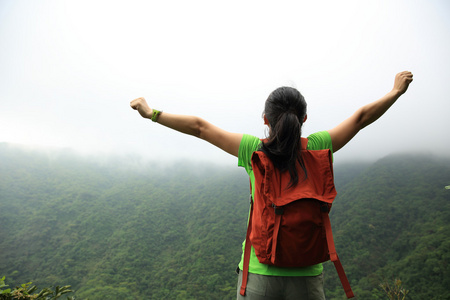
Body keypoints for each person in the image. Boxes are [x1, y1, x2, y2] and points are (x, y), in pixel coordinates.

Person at [130, 71, 413, 300]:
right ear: (303, 119)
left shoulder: (253, 150)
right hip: (307, 276)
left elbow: (199, 127)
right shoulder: (318, 147)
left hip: (258, 274)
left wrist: (151, 113)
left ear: (265, 120)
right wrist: (395, 92)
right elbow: (361, 118)